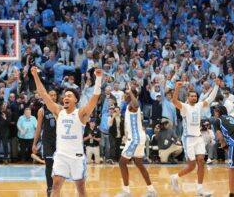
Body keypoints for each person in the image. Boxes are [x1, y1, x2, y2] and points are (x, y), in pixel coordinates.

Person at [31, 66, 102, 197]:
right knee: (55, 185)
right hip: (61, 155)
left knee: (81, 188)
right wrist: (35, 75)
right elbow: (43, 93)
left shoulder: (81, 113)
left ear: (76, 100)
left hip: (77, 157)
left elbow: (95, 98)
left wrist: (98, 79)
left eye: (69, 96)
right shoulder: (58, 111)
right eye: (64, 96)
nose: (65, 97)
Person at [170, 79, 221, 196]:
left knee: (201, 162)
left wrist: (216, 86)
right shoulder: (184, 107)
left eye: (195, 96)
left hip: (198, 138)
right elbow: (174, 101)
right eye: (192, 96)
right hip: (188, 139)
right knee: (191, 166)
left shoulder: (199, 106)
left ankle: (200, 189)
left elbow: (210, 99)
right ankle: (175, 177)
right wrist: (177, 88)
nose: (194, 97)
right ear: (188, 98)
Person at [116, 84, 157, 197]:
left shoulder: (132, 105)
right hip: (137, 137)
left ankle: (126, 191)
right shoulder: (129, 106)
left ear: (132, 95)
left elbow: (137, 105)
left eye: (127, 93)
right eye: (125, 93)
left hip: (135, 139)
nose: (124, 95)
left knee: (122, 163)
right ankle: (151, 190)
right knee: (139, 164)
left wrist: (130, 93)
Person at [32, 89, 58, 196]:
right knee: (49, 164)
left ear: (56, 97)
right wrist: (34, 143)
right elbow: (38, 128)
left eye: (54, 95)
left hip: (58, 141)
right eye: (50, 95)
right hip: (47, 141)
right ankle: (49, 187)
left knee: (58, 166)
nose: (52, 97)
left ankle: (57, 187)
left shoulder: (60, 109)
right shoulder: (41, 110)